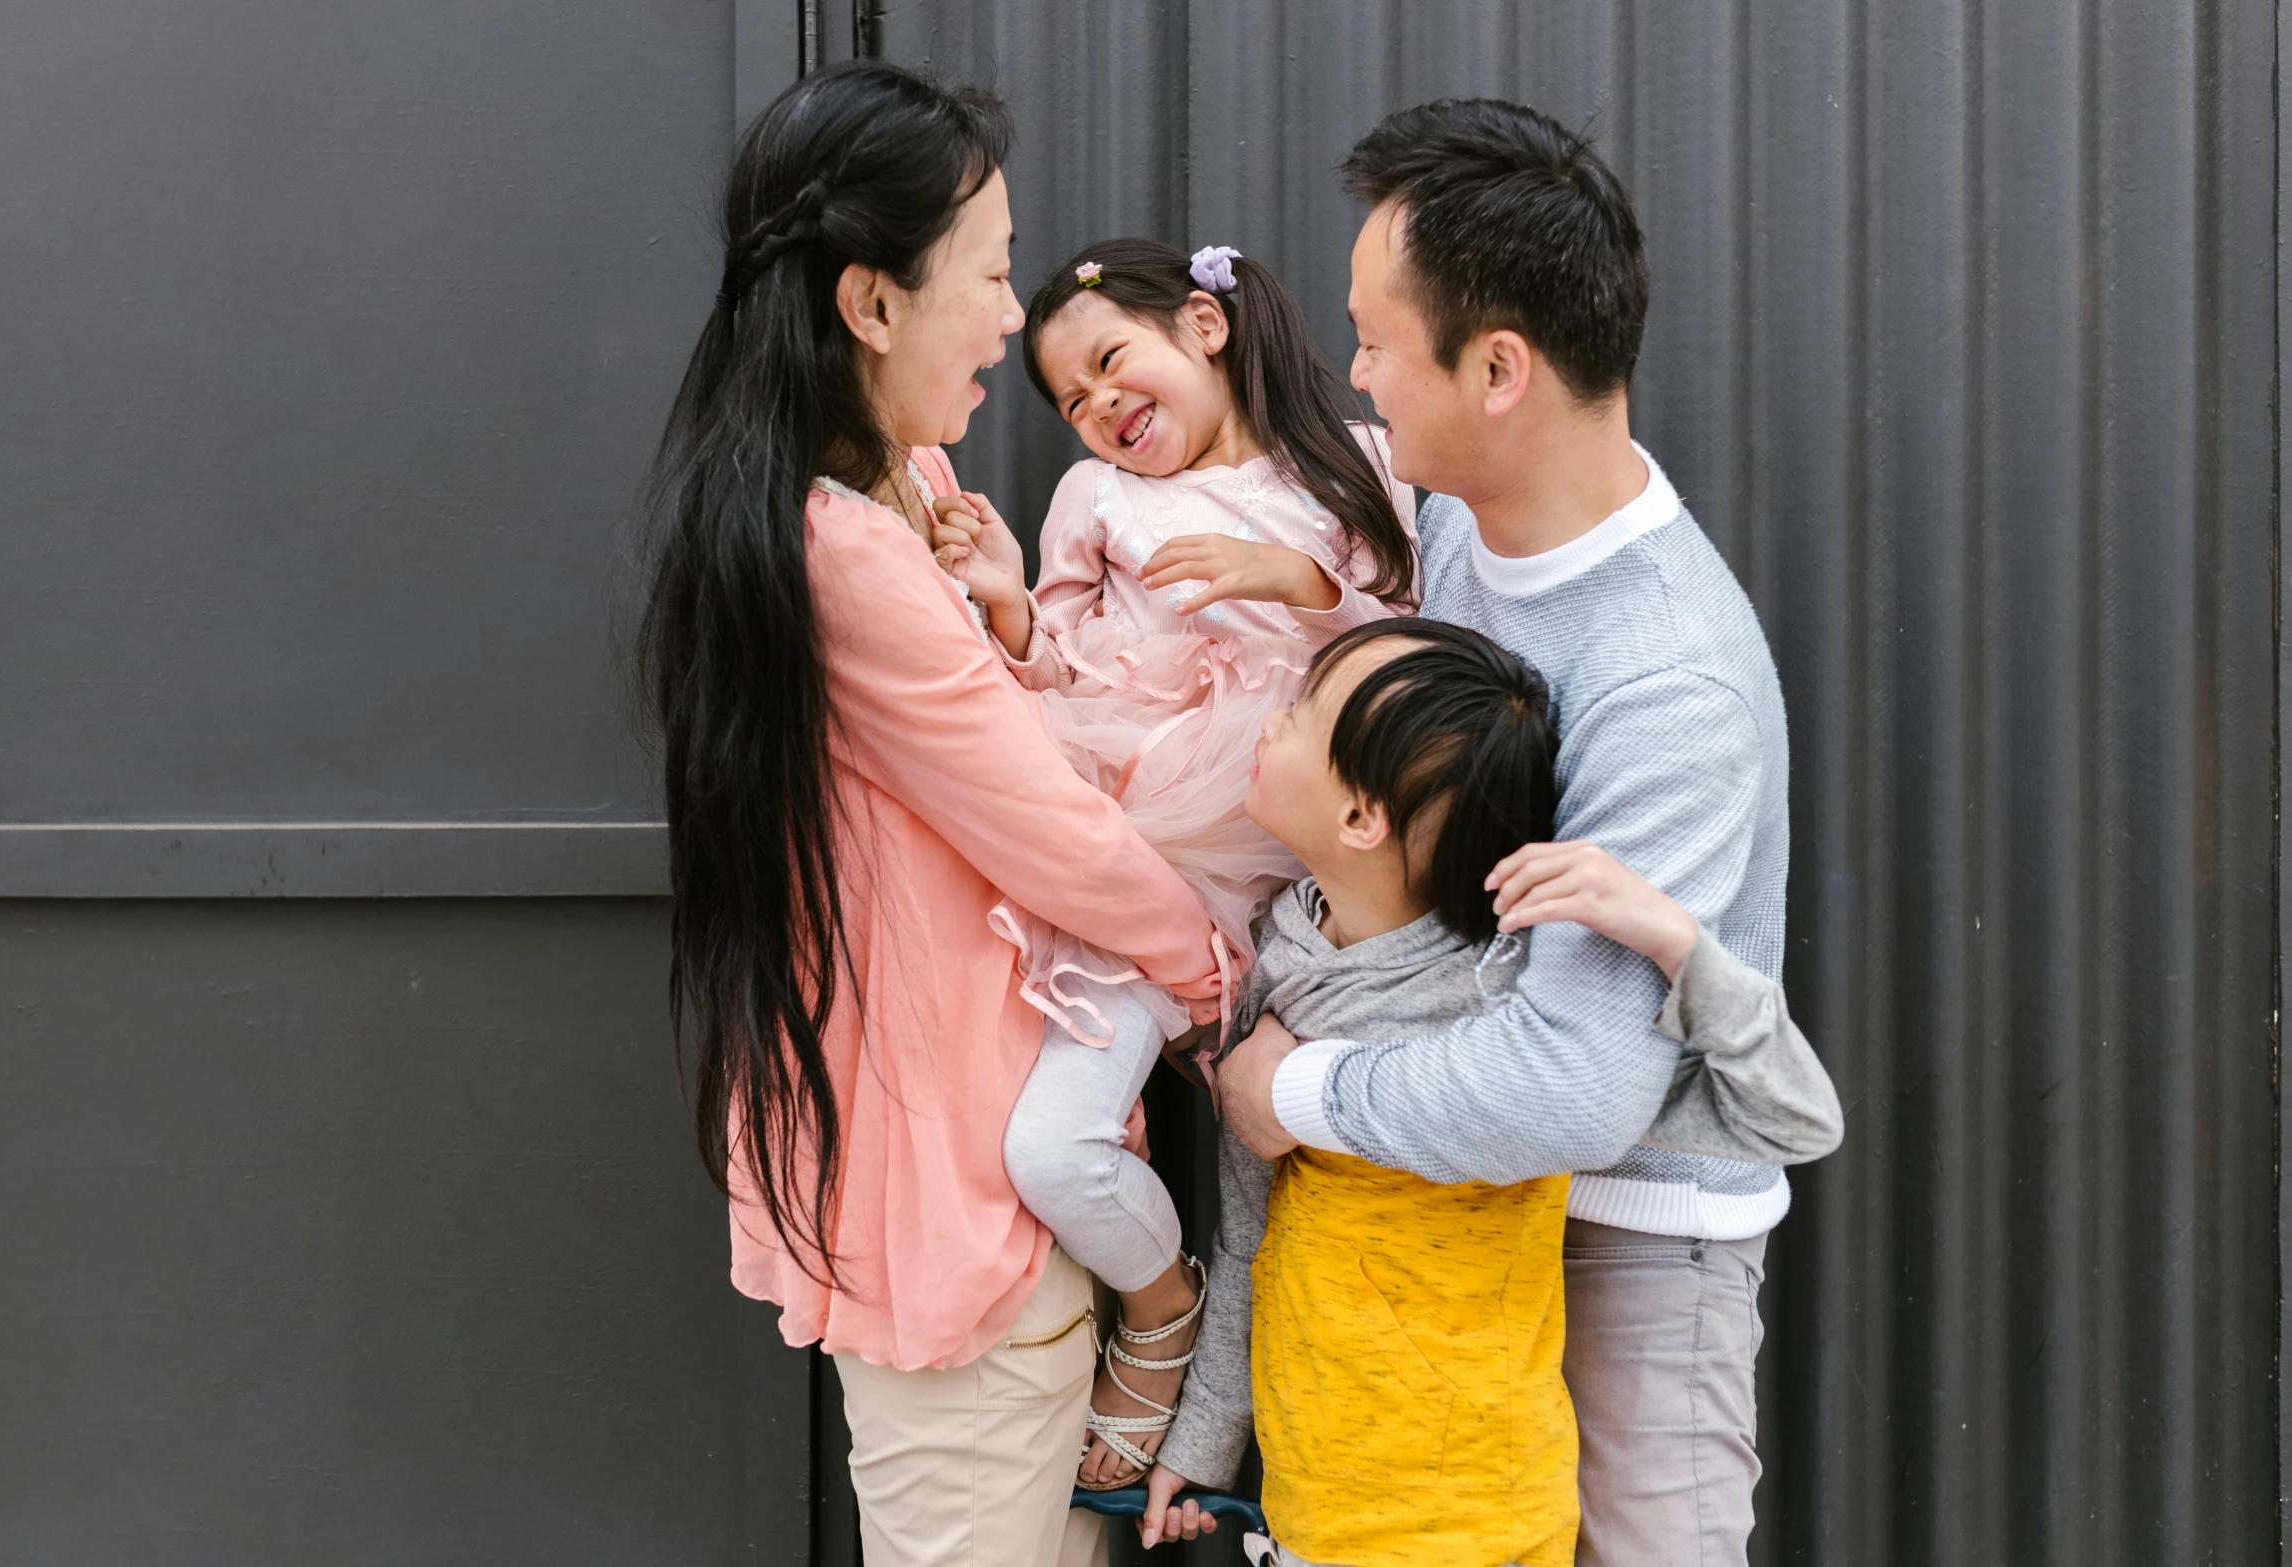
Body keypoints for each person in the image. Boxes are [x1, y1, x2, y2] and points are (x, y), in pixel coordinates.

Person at [632, 64, 1227, 1567]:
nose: (1010, 317)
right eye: (990, 269)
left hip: (982, 1176)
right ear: (869, 304)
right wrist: (1227, 979)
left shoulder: (895, 486)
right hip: (963, 1209)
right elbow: (1051, 831)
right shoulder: (842, 551)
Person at [1212, 101, 1808, 1565]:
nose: (1348, 376)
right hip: (1456, 1218)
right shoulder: (1470, 517)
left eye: (1371, 341)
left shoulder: (1665, 679)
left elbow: (1576, 1085)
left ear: (1496, 370)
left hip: (1625, 1230)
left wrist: (1290, 1094)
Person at [1134, 620, 1840, 1567]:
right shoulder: (1283, 957)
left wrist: (1673, 940)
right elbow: (1249, 1230)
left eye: (1300, 711)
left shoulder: (1512, 1011)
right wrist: (1206, 1439)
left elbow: (1792, 1116)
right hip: (1314, 1512)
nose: (1270, 720)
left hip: (1480, 1524)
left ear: (1360, 819)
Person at [926, 237, 1419, 1489]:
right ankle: (1158, 1305)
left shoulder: (1356, 467)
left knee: (1297, 1194)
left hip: (1317, 922)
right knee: (1052, 1150)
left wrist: (1289, 574)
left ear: (1203, 325)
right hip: (1144, 898)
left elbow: (1420, 661)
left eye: (1109, 364)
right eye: (1071, 403)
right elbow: (1060, 680)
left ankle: (1247, 1452)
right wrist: (1010, 605)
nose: (1097, 409)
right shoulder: (1097, 504)